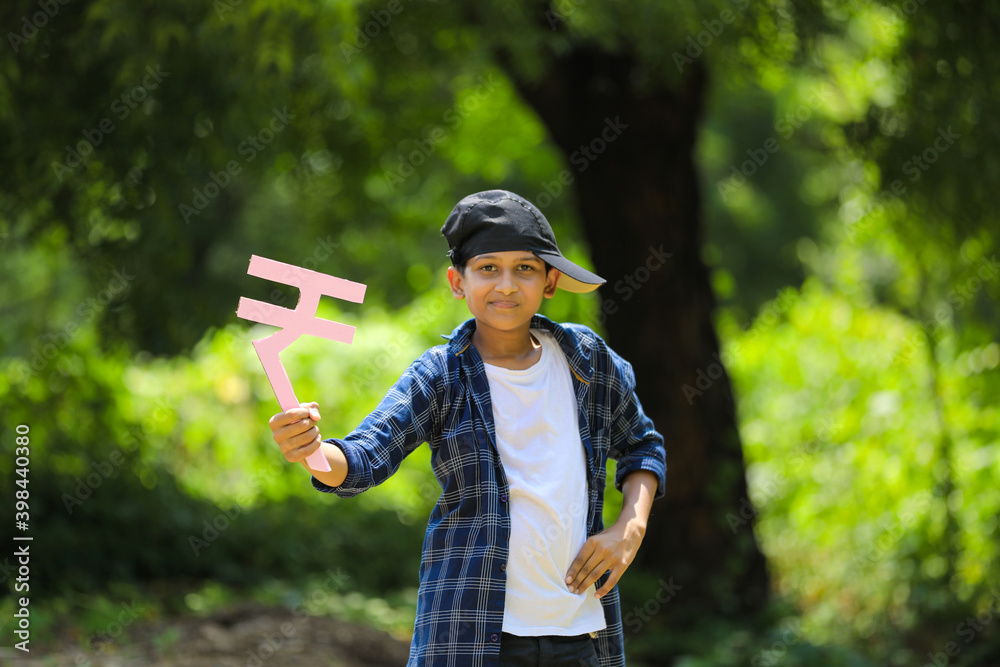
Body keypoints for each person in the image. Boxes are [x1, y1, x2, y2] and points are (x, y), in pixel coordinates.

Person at [268, 189, 666, 666]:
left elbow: (642, 445)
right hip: (470, 635)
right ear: (458, 282)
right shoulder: (440, 375)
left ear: (550, 281)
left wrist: (630, 526)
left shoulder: (587, 360)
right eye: (487, 268)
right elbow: (362, 459)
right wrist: (311, 449)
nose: (506, 285)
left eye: (525, 268)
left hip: (582, 635)